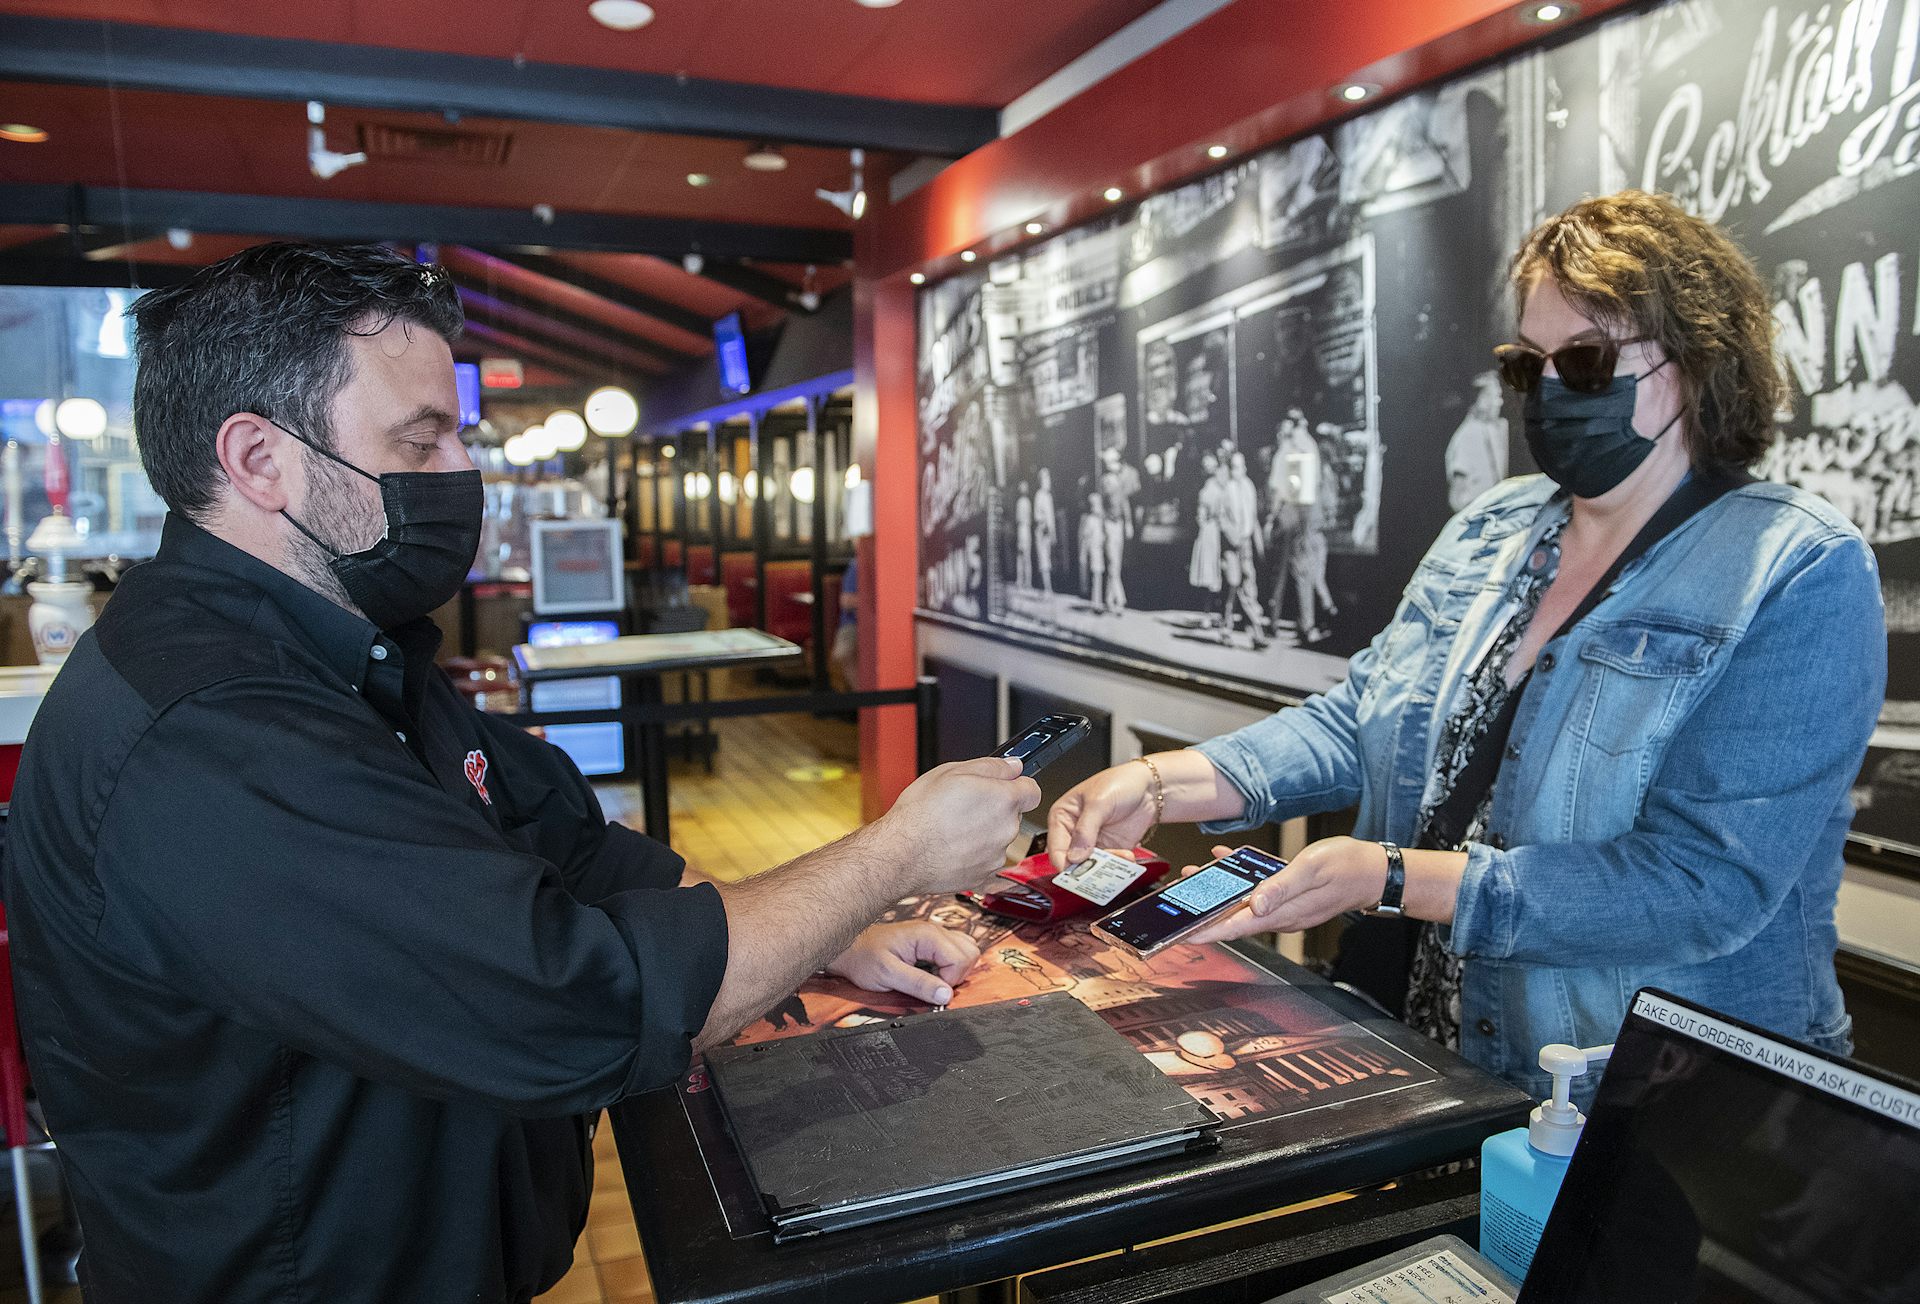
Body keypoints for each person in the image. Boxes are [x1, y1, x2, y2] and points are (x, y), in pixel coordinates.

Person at [3, 244, 1040, 1304]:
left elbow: (571, 846)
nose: (462, 469)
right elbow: (572, 998)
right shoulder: (213, 731)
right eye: (422, 436)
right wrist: (894, 853)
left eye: (458, 430)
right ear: (259, 460)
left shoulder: (355, 644)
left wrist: (833, 934)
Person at [1046, 192, 1885, 1104]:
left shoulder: (1796, 568)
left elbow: (1700, 883)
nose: (1553, 390)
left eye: (1589, 360)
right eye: (1530, 365)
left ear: (1698, 363)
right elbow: (1364, 719)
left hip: (1648, 1098)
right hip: (1430, 1046)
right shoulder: (1496, 526)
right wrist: (1170, 780)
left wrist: (1397, 877)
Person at [1220, 449, 1268, 645]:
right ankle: (1226, 627)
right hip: (1231, 545)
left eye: (1239, 467)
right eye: (1233, 467)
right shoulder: (1226, 489)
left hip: (1246, 544)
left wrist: (1259, 544)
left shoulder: (1249, 487)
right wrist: (1233, 537)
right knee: (1232, 584)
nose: (1236, 471)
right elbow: (1222, 518)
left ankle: (1257, 632)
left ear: (1245, 468)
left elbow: (1253, 517)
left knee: (1249, 585)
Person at [1097, 445, 1141, 610]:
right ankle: (1120, 599)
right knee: (1113, 561)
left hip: (1119, 524)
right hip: (1109, 524)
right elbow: (1102, 506)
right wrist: (1102, 527)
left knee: (1116, 562)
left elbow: (1124, 504)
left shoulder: (1119, 481)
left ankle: (1109, 599)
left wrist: (1128, 523)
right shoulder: (1105, 482)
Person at [1189, 453, 1224, 603]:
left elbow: (1202, 515)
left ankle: (1209, 610)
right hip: (1214, 529)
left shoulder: (1207, 490)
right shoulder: (1218, 488)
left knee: (1209, 569)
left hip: (1210, 530)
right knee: (1214, 568)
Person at [1079, 490, 1107, 605]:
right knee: (1096, 575)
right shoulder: (1091, 520)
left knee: (1098, 576)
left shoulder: (1098, 519)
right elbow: (1086, 537)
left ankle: (1097, 600)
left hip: (1098, 549)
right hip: (1094, 550)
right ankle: (1096, 602)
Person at [1032, 467, 1057, 596]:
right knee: (1043, 560)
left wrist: (1053, 532)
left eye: (1049, 479)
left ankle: (1046, 588)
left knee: (1048, 560)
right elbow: (1037, 515)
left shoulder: (1048, 497)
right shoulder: (1039, 495)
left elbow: (1051, 517)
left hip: (1048, 533)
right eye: (1046, 479)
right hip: (1041, 531)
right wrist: (1044, 525)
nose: (1048, 482)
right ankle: (1047, 589)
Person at [1014, 479, 1034, 589]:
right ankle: (1025, 581)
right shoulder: (1026, 502)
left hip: (1023, 528)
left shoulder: (1021, 502)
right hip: (1025, 528)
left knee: (1022, 556)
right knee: (1025, 556)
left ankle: (1022, 580)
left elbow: (1018, 518)